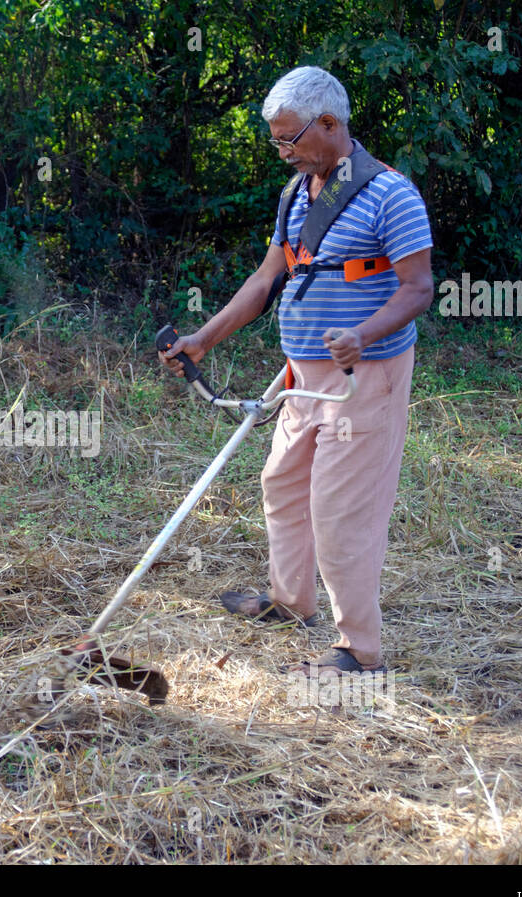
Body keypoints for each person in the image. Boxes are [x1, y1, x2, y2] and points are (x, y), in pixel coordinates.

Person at [158, 66, 434, 676]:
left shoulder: (392, 194)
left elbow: (418, 289)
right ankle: (291, 601)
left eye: (291, 140)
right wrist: (203, 340)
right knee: (281, 486)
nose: (283, 153)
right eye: (277, 142)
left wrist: (362, 335)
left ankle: (360, 649)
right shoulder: (295, 194)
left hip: (363, 379)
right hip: (298, 376)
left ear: (331, 124)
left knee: (342, 515)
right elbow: (266, 280)